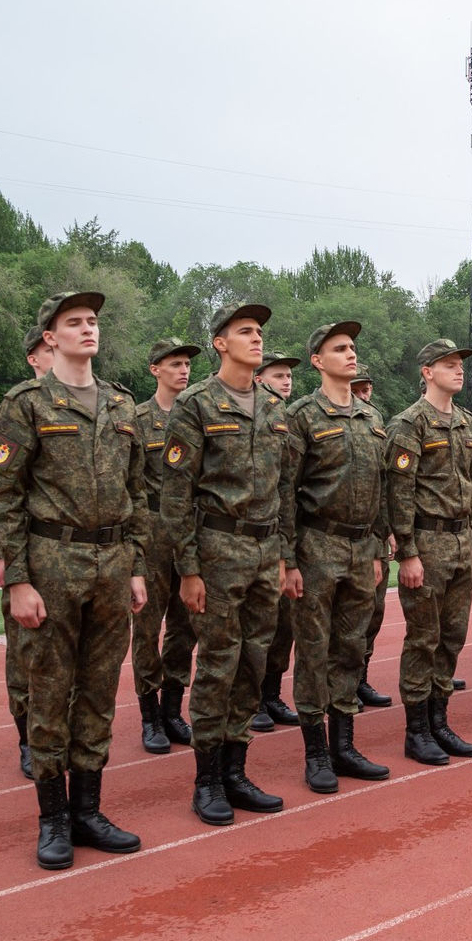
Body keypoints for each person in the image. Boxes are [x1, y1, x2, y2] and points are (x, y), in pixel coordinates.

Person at [0, 290, 148, 869]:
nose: (86, 329)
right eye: (73, 322)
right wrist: (17, 579)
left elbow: (140, 493)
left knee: (99, 692)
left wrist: (138, 564)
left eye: (93, 320)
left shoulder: (123, 405)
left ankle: (88, 811)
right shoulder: (26, 403)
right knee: (49, 692)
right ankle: (52, 819)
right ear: (49, 337)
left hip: (111, 563)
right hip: (52, 562)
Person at [161, 299, 293, 826]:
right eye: (245, 331)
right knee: (218, 665)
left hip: (264, 553)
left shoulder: (274, 405)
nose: (257, 338)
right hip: (217, 553)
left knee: (253, 663)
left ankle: (236, 771)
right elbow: (176, 495)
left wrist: (281, 555)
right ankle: (208, 779)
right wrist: (189, 569)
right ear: (220, 343)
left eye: (260, 331)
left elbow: (283, 489)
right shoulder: (196, 405)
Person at [280, 323, 392, 793]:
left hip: (361, 547)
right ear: (317, 361)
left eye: (352, 348)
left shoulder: (371, 418)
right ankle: (317, 752)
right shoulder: (302, 416)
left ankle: (344, 744)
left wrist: (380, 544)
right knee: (313, 650)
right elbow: (285, 491)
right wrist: (288, 560)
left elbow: (383, 486)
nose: (350, 355)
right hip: (316, 546)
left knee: (350, 647)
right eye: (339, 349)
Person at [385, 339, 472, 765]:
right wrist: (407, 552)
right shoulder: (409, 424)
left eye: (460, 364)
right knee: (423, 639)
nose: (458, 370)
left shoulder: (466, 423)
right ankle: (417, 730)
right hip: (426, 544)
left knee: (452, 638)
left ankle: (439, 721)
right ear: (426, 371)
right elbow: (399, 493)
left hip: (462, 544)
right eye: (448, 364)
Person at [0, 322, 57, 779]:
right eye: (46, 349)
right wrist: (2, 557)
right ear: (35, 356)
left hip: (68, 555)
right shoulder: (18, 406)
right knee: (26, 654)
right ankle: (28, 738)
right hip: (26, 550)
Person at [131, 337, 200, 755]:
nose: (184, 370)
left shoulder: (197, 416)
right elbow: (130, 484)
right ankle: (149, 714)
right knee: (146, 628)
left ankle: (174, 709)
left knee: (185, 626)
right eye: (174, 363)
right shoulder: (138, 419)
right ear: (155, 369)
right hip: (152, 530)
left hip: (190, 530)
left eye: (187, 364)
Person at [250, 352, 304, 733]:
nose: (286, 382)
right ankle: (251, 699)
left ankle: (271, 694)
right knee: (256, 627)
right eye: (278, 375)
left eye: (288, 376)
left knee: (283, 624)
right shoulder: (251, 417)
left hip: (290, 533)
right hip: (252, 536)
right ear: (258, 378)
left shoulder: (291, 420)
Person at [349, 366, 393, 709]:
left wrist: (387, 532)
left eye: (367, 388)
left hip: (374, 535)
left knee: (373, 613)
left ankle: (360, 679)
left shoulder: (375, 420)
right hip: (334, 536)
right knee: (345, 622)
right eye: (357, 388)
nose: (363, 394)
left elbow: (385, 483)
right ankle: (344, 686)